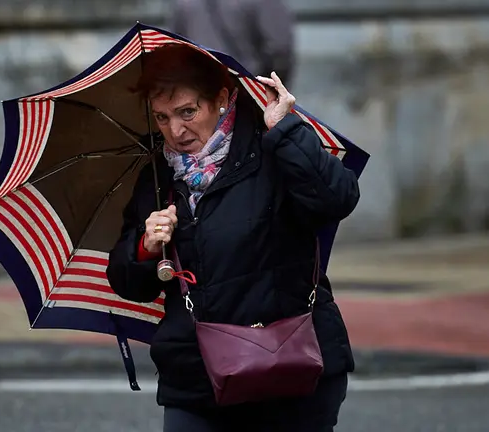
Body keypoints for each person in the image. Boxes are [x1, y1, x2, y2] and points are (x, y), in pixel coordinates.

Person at [106, 44, 359, 432]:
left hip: (288, 367)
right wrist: (145, 245)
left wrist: (287, 131)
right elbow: (128, 282)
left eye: (187, 112)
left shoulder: (270, 147)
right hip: (196, 378)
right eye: (162, 117)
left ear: (221, 100)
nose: (175, 131)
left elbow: (336, 199)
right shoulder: (156, 179)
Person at [167, 0, 295, 85]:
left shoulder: (184, 4)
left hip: (202, 91)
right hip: (249, 89)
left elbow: (175, 46)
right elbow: (280, 49)